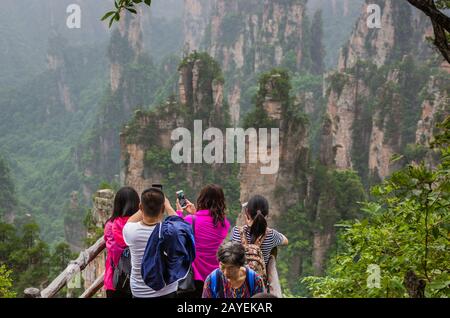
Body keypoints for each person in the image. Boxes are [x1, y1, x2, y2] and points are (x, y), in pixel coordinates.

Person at [171, 184, 231, 298]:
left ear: (201, 200)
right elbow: (207, 227)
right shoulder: (225, 224)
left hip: (194, 279)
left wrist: (179, 212)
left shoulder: (190, 220)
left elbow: (175, 233)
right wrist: (195, 213)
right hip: (214, 278)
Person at [122, 187, 179, 298]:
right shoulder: (171, 231)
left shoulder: (130, 231)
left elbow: (130, 221)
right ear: (162, 208)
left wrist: (144, 205)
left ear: (140, 207)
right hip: (167, 291)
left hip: (139, 292)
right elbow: (180, 225)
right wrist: (168, 206)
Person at [231, 195, 288, 266]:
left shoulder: (236, 231)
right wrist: (266, 228)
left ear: (247, 214)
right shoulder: (271, 235)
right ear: (266, 215)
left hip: (239, 276)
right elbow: (286, 241)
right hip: (259, 276)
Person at [104, 186, 140, 298]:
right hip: (139, 280)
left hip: (115, 281)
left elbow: (112, 249)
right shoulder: (142, 225)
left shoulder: (110, 225)